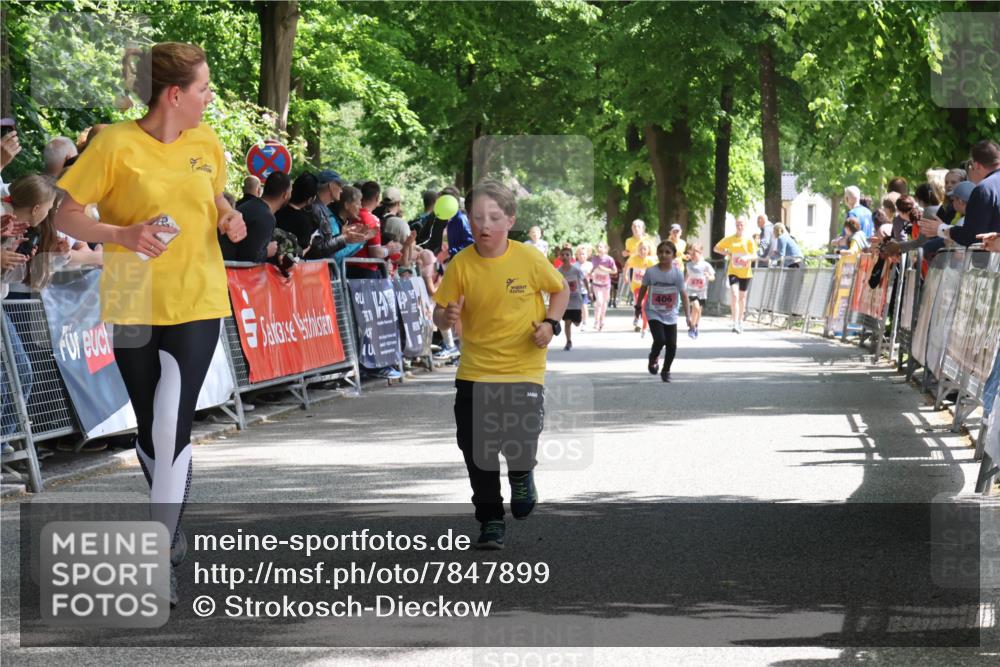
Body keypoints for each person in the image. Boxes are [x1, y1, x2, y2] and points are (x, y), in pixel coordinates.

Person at [54, 42, 247, 609]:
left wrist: (229, 216)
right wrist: (120, 234)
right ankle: (171, 516)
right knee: (149, 427)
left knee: (169, 423)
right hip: (132, 300)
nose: (210, 98)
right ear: (175, 94)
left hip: (196, 299)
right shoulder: (114, 144)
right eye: (204, 89)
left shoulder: (207, 142)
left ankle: (158, 552)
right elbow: (66, 213)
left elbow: (215, 198)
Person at [432, 179, 568, 549]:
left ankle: (522, 474)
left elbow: (561, 289)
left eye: (494, 217)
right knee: (477, 450)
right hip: (475, 371)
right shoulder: (461, 264)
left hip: (523, 369)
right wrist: (446, 317)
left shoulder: (528, 258)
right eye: (477, 218)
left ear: (510, 220)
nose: (485, 225)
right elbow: (439, 314)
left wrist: (551, 324)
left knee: (519, 438)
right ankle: (491, 520)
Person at [922, 140, 1000, 247]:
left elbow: (972, 235)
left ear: (977, 165)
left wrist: (941, 228)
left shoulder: (984, 189)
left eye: (971, 167)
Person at [635, 241, 691, 383]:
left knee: (672, 344)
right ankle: (653, 356)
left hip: (670, 313)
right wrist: (638, 306)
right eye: (660, 252)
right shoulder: (651, 272)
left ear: (674, 256)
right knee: (660, 339)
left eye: (667, 252)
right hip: (653, 311)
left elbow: (684, 295)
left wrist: (688, 317)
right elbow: (643, 289)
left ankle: (666, 370)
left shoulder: (677, 274)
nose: (663, 255)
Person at [219, 171, 289, 263]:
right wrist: (267, 251)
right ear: (285, 195)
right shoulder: (266, 217)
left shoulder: (249, 205)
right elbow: (249, 258)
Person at [713, 215, 757, 333]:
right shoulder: (730, 239)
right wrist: (727, 253)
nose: (739, 226)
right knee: (734, 294)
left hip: (745, 272)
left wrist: (746, 257)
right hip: (733, 271)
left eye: (741, 224)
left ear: (745, 226)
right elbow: (716, 248)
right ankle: (735, 322)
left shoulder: (748, 239)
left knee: (742, 298)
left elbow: (755, 255)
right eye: (737, 224)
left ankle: (740, 321)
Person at [557, 245, 586, 350]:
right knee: (567, 322)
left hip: (576, 300)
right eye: (563, 255)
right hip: (565, 301)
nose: (565, 256)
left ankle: (578, 320)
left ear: (571, 257)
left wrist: (590, 292)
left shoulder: (576, 270)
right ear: (560, 257)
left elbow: (584, 279)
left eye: (567, 255)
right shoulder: (558, 271)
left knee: (577, 323)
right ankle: (568, 341)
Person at [684, 243, 714, 339]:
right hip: (691, 290)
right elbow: (687, 275)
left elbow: (713, 277)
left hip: (702, 291)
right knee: (696, 307)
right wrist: (683, 285)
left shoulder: (706, 265)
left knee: (699, 310)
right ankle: (692, 327)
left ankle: (696, 325)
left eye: (694, 253)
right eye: (691, 253)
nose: (692, 255)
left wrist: (709, 276)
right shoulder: (688, 265)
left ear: (700, 253)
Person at [626, 239, 656, 334]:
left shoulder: (651, 261)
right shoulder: (634, 259)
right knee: (641, 303)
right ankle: (638, 318)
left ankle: (644, 327)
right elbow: (627, 265)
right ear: (638, 250)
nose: (642, 251)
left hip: (648, 288)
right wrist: (626, 275)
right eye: (640, 249)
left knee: (646, 307)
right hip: (637, 287)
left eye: (644, 249)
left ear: (648, 250)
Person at [588, 241, 616, 332]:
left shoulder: (609, 259)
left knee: (604, 303)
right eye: (598, 247)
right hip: (596, 283)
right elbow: (593, 267)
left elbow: (614, 271)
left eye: (601, 247)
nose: (599, 248)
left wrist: (604, 269)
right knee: (599, 301)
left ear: (606, 249)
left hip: (606, 284)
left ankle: (602, 320)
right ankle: (596, 321)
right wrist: (590, 273)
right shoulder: (594, 258)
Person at [572, 244, 593, 331]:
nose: (581, 256)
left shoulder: (590, 265)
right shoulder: (574, 265)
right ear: (577, 255)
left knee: (584, 305)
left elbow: (593, 276)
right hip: (576, 290)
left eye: (583, 254)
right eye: (580, 254)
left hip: (585, 289)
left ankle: (585, 322)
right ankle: (579, 319)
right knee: (578, 307)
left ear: (587, 255)